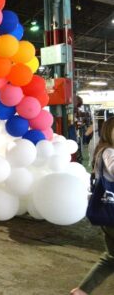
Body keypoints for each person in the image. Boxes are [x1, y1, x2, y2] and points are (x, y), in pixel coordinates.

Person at [72, 117, 114, 295]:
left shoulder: (104, 150)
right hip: (111, 213)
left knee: (112, 257)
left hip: (109, 214)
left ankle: (82, 290)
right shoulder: (109, 152)